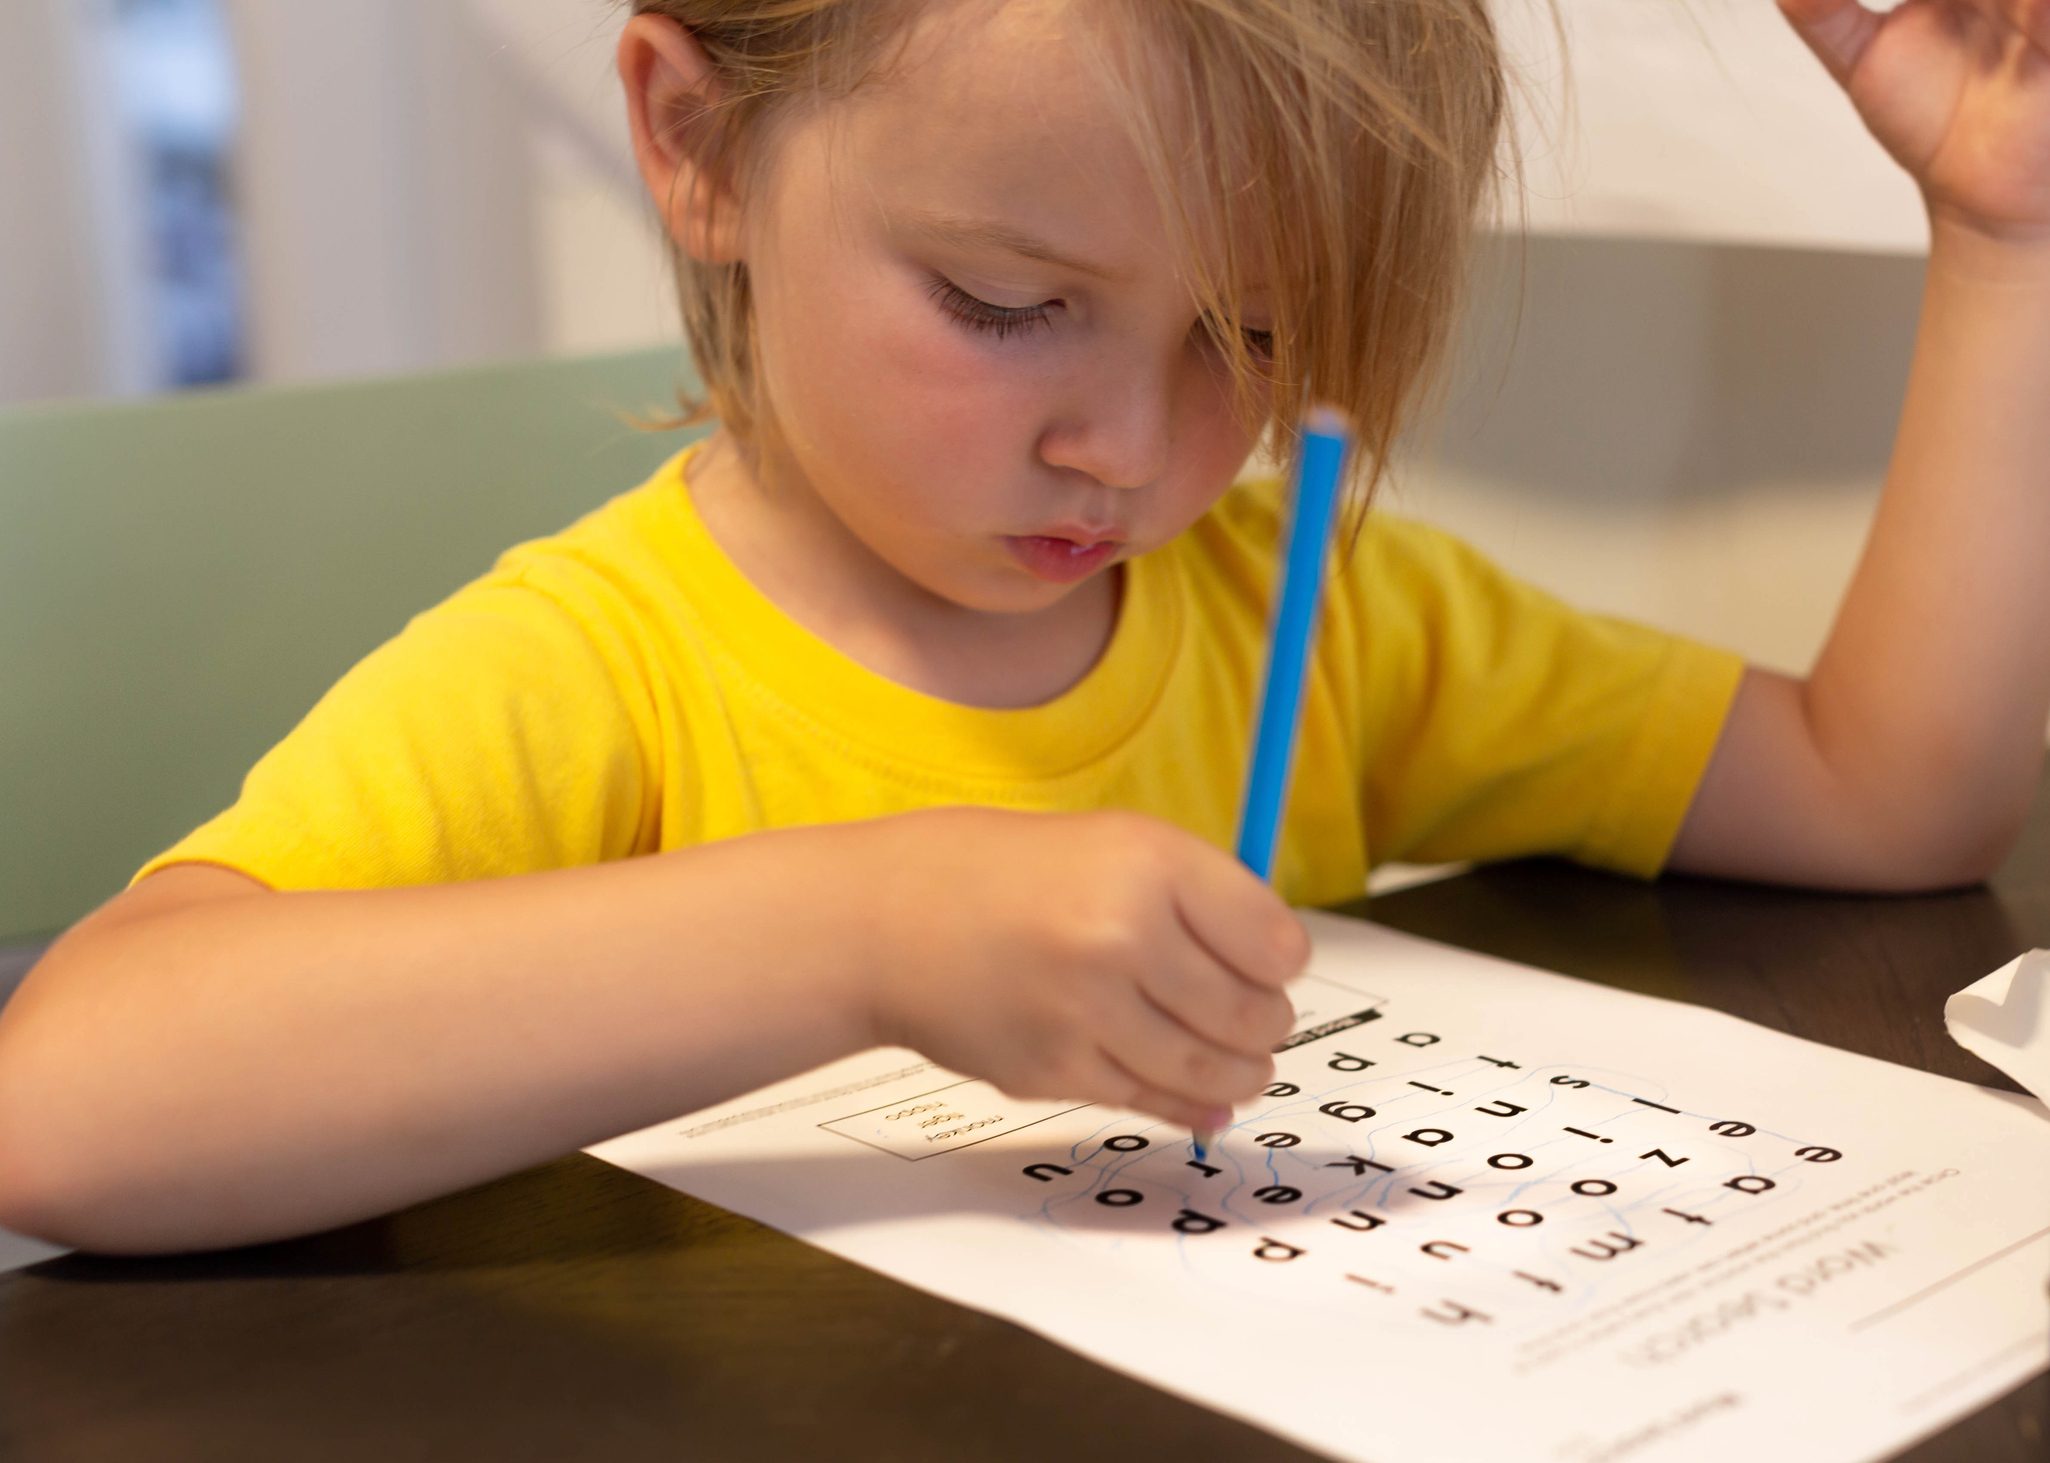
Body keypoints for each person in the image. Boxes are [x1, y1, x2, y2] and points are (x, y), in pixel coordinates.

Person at [1, 0, 2045, 1255]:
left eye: (1244, 333)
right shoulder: (600, 671)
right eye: (1001, 303)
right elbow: (69, 1105)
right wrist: (866, 929)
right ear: (698, 145)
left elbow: (1887, 794)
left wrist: (2000, 238)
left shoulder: (1312, 622)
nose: (1133, 446)